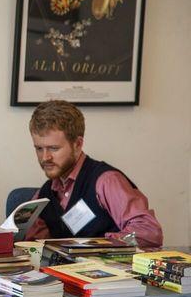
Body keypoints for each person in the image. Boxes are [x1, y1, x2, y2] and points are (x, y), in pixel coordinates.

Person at [24, 100, 162, 247]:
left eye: (54, 148)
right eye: (39, 148)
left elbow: (149, 233)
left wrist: (103, 245)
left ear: (77, 144)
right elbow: (32, 244)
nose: (45, 157)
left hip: (107, 267)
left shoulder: (106, 181)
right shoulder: (43, 194)